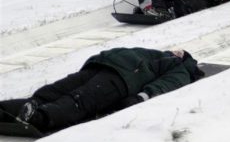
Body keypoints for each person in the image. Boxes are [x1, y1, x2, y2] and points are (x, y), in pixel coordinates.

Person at [0, 47, 204, 132]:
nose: (177, 50)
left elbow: (167, 83)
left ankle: (14, 109)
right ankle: (37, 117)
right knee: (77, 101)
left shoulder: (182, 67)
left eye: (180, 52)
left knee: (54, 94)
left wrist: (142, 96)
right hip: (116, 75)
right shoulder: (165, 58)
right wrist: (140, 97)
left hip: (109, 68)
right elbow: (164, 84)